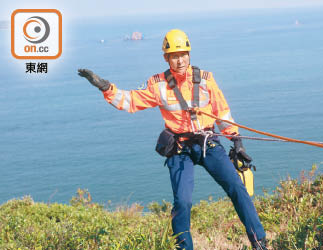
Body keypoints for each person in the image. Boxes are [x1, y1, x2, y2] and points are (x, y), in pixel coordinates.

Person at [78, 29, 267, 250]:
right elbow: (131, 101)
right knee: (183, 201)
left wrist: (236, 142)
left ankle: (259, 242)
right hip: (180, 148)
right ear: (166, 58)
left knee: (236, 186)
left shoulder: (206, 79)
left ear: (189, 54)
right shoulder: (157, 84)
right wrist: (105, 87)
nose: (180, 60)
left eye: (183, 54)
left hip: (208, 142)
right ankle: (184, 247)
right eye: (174, 56)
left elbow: (221, 112)